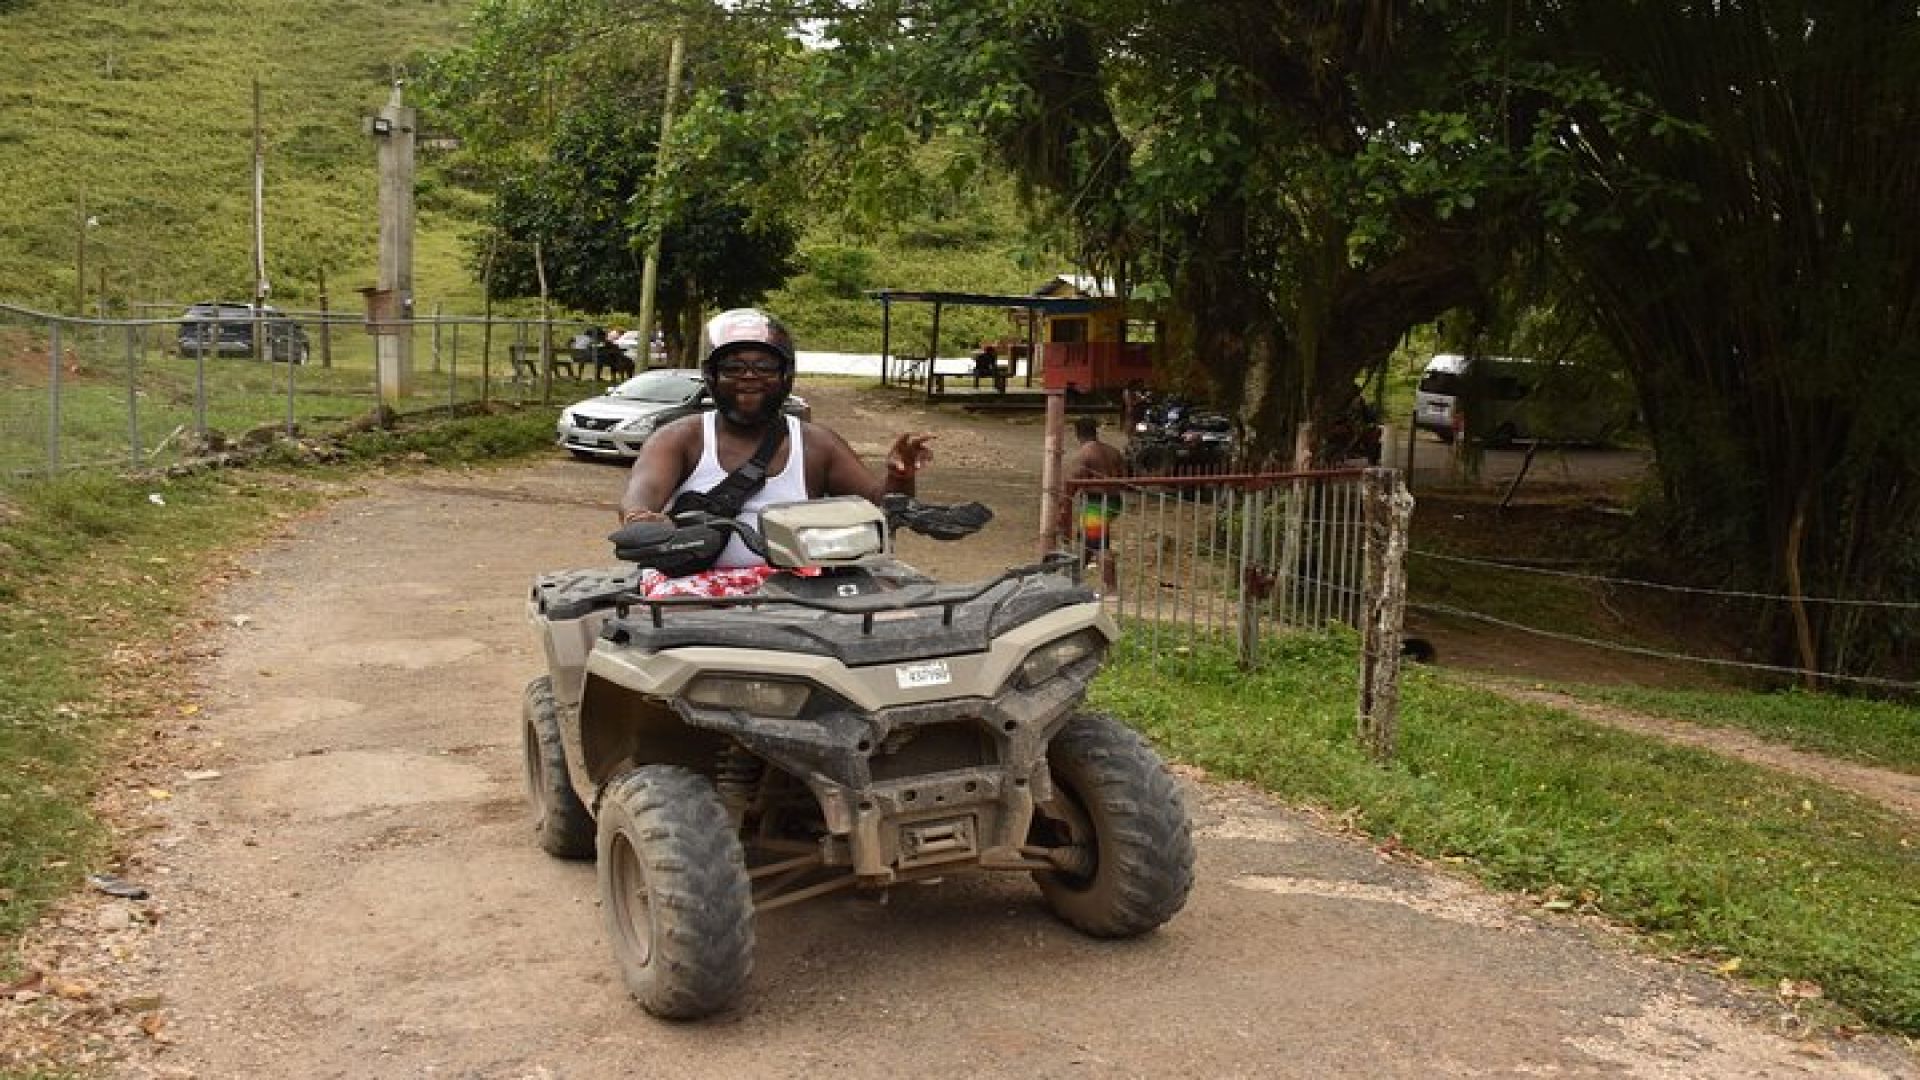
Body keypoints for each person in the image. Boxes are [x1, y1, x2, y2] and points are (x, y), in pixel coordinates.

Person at [618, 308, 934, 598]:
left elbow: (880, 509)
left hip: (798, 587)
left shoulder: (817, 444)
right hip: (693, 586)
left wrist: (899, 475)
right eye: (733, 367)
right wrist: (643, 521)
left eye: (764, 367)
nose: (749, 376)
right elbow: (641, 493)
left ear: (786, 375)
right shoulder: (680, 438)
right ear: (711, 376)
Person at [1062, 415, 1127, 595]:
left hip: (1096, 502)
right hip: (1114, 501)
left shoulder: (1084, 454)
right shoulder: (1113, 451)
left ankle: (1111, 588)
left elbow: (1072, 484)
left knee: (1098, 543)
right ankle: (1073, 581)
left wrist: (1063, 506)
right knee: (1087, 540)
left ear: (1077, 433)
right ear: (1095, 430)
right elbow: (1125, 478)